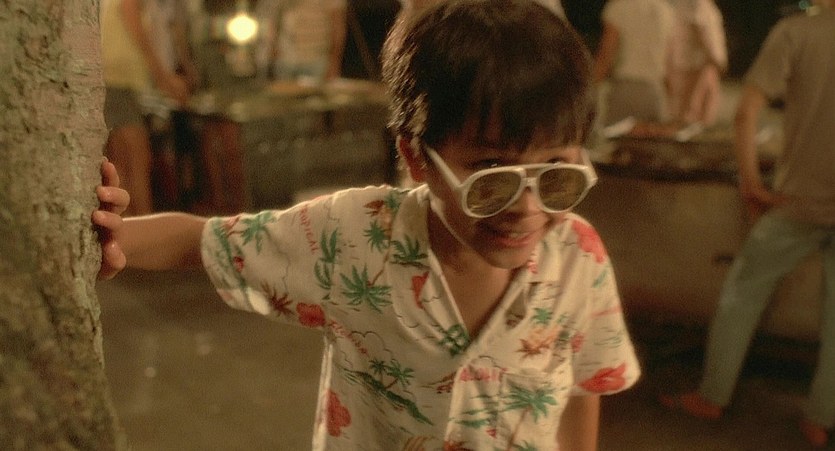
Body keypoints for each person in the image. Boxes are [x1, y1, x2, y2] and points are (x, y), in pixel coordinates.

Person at [95, 1, 641, 449]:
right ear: (416, 157)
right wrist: (106, 233)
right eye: (491, 172)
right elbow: (199, 241)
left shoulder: (580, 258)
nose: (527, 207)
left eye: (556, 171)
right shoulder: (353, 236)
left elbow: (583, 386)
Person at [660, 2, 835, 448]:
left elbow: (746, 112)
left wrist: (751, 182)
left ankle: (712, 396)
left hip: (797, 202)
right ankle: (820, 418)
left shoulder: (796, 32)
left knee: (743, 291)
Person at [101, 0, 193, 215]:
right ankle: (144, 226)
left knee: (123, 165)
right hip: (119, 81)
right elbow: (138, 33)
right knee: (137, 162)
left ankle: (129, 228)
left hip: (115, 81)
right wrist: (164, 78)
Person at [592, 0, 676, 126]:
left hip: (625, 89)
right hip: (654, 91)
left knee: (617, 135)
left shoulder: (619, 7)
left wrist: (590, 88)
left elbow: (606, 54)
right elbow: (670, 61)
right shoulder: (666, 10)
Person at [666, 0, 728, 127]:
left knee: (697, 115)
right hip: (696, 68)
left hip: (701, 68)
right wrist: (717, 60)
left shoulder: (704, 5)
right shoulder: (696, 4)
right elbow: (702, 31)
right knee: (691, 115)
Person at [255, 0, 348, 83]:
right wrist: (271, 50)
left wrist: (334, 64)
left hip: (316, 61)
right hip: (285, 60)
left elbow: (338, 27)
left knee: (314, 96)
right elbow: (271, 16)